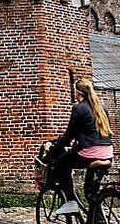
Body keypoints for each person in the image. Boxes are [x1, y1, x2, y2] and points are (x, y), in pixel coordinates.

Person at [46, 78, 113, 216]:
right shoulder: (101, 106)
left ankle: (70, 202)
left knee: (62, 164)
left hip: (89, 153)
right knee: (91, 193)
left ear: (78, 93)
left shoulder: (79, 108)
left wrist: (52, 150)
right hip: (107, 153)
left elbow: (69, 136)